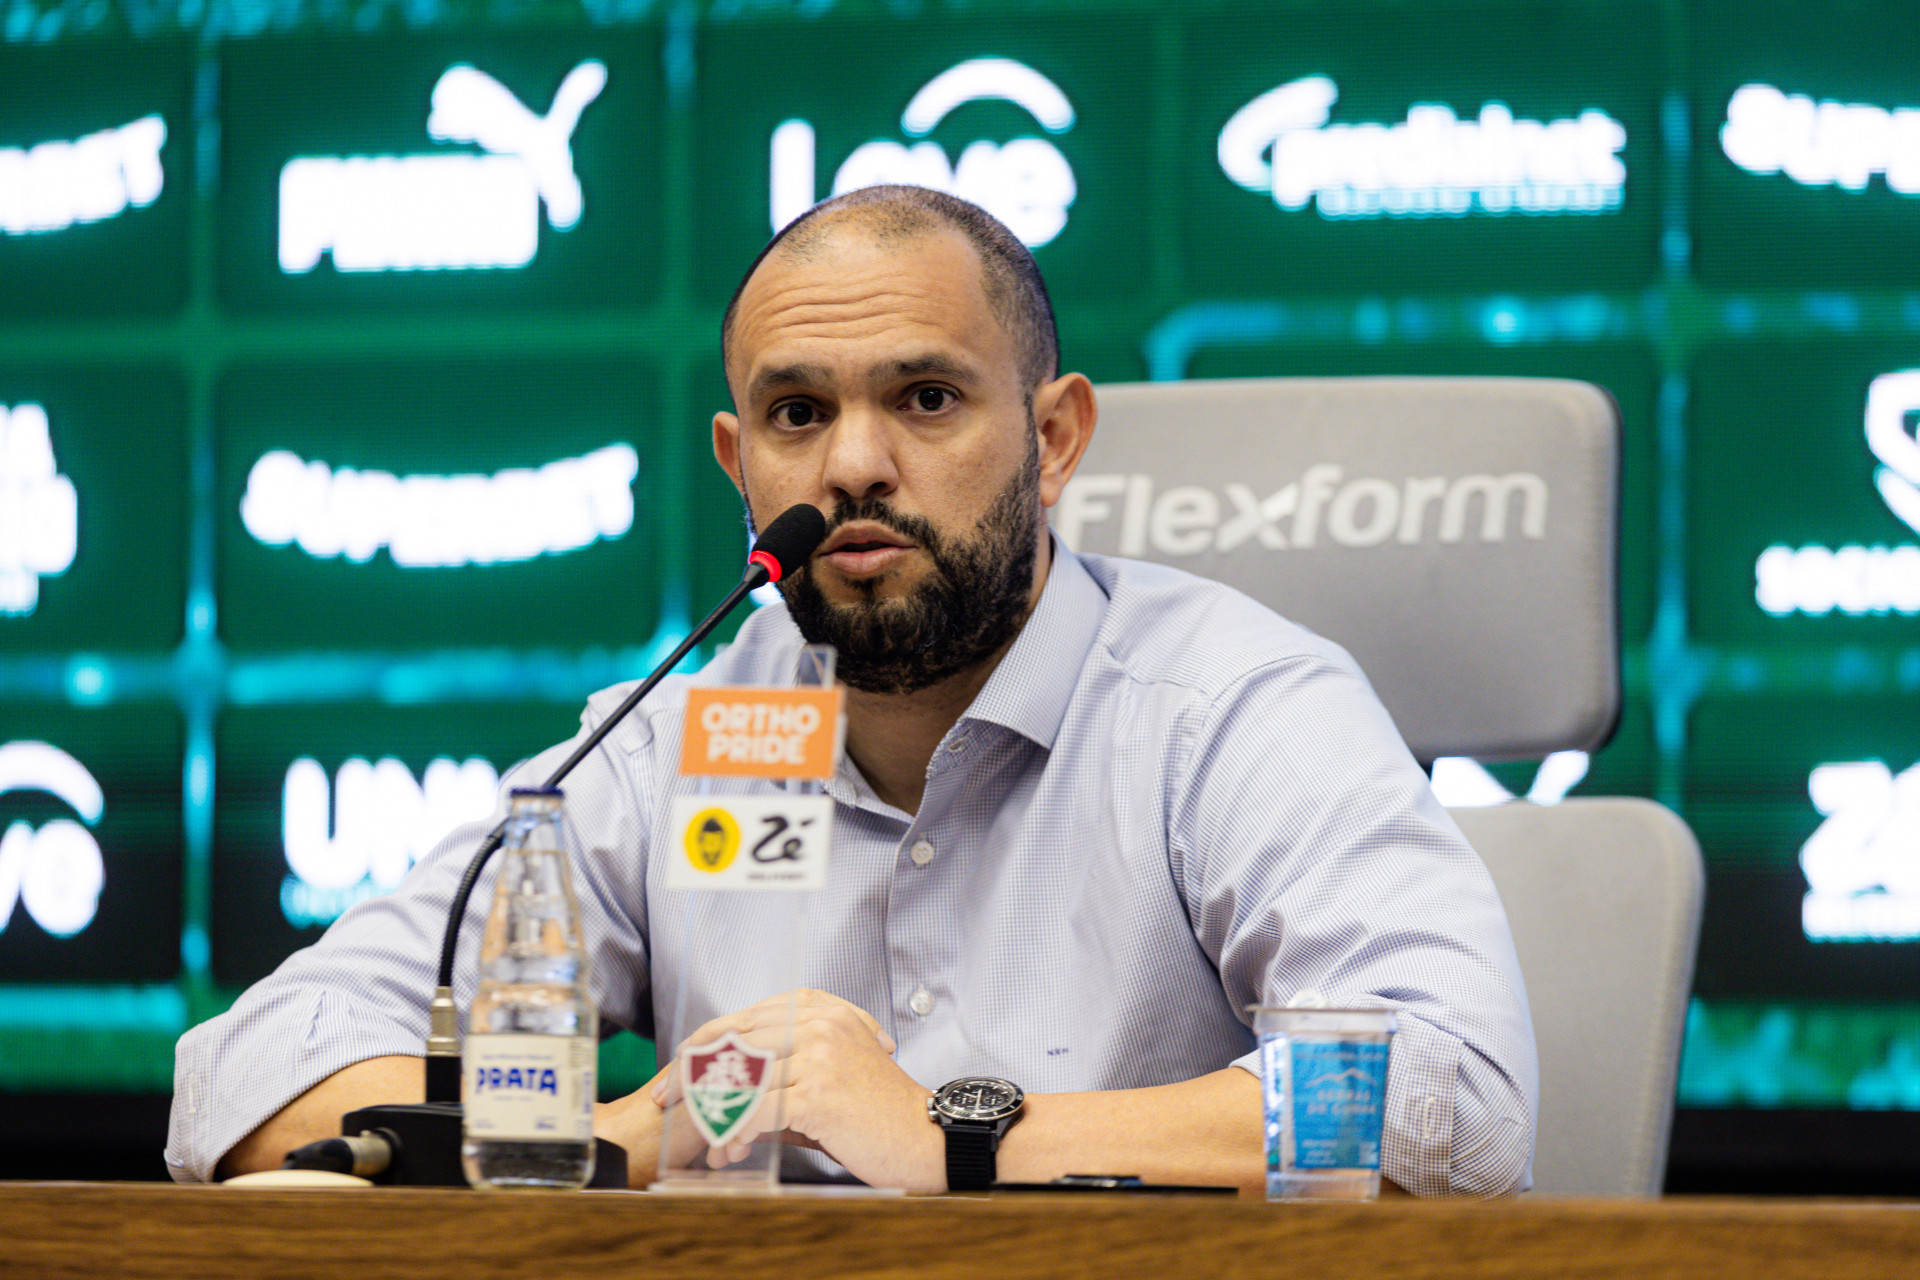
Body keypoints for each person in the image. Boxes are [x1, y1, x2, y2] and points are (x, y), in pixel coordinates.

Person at [168, 185, 1536, 1196]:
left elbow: (1447, 1095)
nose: (855, 465)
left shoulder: (1229, 708)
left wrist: (959, 1135)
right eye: (797, 413)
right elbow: (249, 1068)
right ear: (737, 461)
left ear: (1054, 441)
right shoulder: (676, 744)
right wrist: (603, 1134)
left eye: (927, 401)